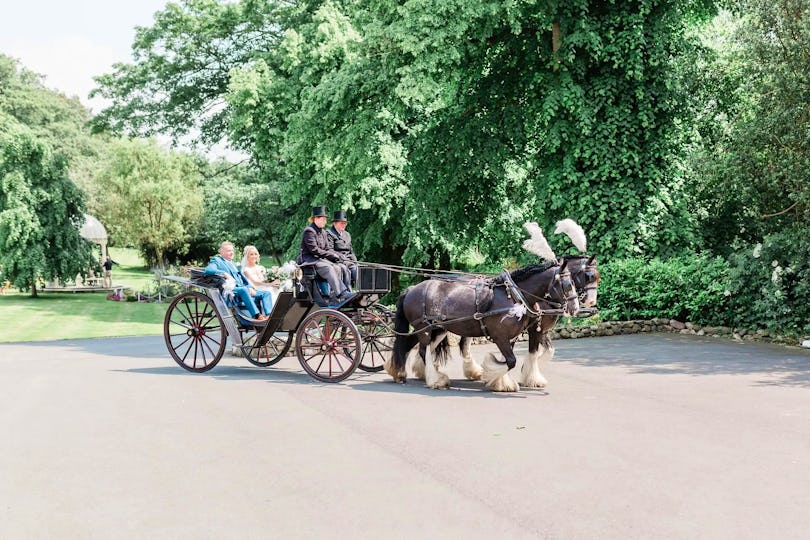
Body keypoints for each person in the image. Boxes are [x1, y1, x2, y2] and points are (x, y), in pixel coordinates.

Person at [297, 206, 352, 304]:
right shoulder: (309, 231)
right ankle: (341, 293)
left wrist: (338, 255)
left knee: (338, 267)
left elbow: (327, 248)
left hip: (319, 260)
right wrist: (331, 256)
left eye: (325, 220)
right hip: (309, 261)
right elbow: (314, 250)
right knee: (328, 268)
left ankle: (336, 297)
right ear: (315, 219)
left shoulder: (323, 232)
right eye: (322, 219)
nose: (324, 222)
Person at [204, 241, 272, 320]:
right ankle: (257, 315)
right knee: (243, 290)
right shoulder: (217, 260)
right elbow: (208, 270)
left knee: (266, 293)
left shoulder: (233, 263)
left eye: (232, 250)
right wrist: (224, 274)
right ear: (221, 252)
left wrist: (250, 287)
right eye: (229, 251)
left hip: (242, 288)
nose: (232, 252)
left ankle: (268, 315)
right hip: (231, 290)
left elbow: (243, 279)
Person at [326, 210, 358, 286]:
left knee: (359, 269)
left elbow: (351, 251)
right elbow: (329, 250)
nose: (344, 225)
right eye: (342, 223)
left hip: (348, 261)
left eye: (345, 223)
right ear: (334, 223)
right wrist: (340, 257)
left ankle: (362, 291)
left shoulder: (347, 235)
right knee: (345, 270)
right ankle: (347, 292)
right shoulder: (329, 234)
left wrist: (355, 261)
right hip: (337, 261)